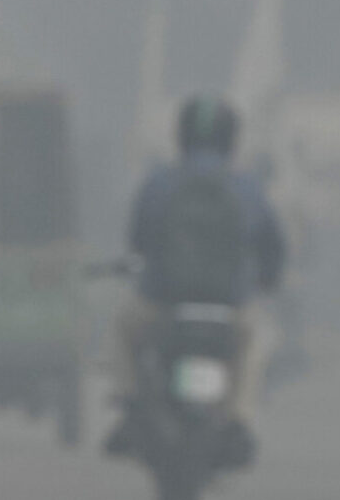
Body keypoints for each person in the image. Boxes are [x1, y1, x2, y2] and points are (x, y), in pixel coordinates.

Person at [105, 96, 286, 464]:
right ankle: (238, 420)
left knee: (120, 330)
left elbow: (138, 240)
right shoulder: (248, 187)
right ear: (232, 139)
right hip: (231, 307)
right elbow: (273, 245)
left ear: (181, 135)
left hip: (160, 303)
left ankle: (131, 408)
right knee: (256, 344)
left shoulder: (159, 182)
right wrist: (267, 282)